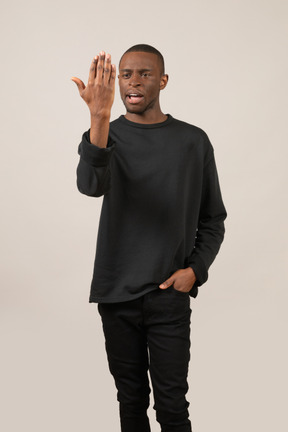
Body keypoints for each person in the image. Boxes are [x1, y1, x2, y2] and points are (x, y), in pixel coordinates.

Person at [71, 44, 227, 432]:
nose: (133, 82)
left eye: (143, 74)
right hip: (116, 294)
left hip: (167, 295)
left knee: (172, 408)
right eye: (125, 74)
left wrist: (195, 270)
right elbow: (91, 186)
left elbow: (213, 218)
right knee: (131, 404)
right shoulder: (104, 133)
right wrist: (99, 115)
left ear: (163, 81)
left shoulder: (193, 141)